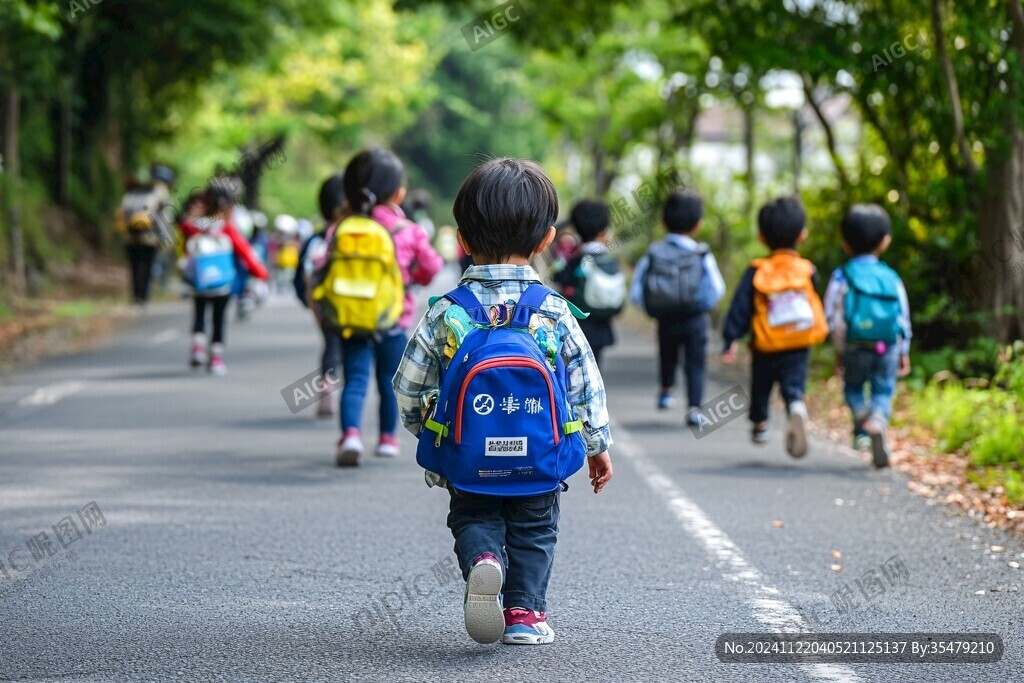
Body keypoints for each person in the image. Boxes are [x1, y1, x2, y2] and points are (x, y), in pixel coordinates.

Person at [393, 158, 613, 646]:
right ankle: (524, 615)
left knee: (473, 516)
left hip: (470, 455)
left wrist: (432, 430)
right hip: (538, 454)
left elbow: (408, 386)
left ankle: (483, 561)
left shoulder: (447, 311)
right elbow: (584, 384)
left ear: (462, 241)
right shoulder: (554, 311)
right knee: (536, 528)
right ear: (546, 240)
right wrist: (597, 445)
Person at [329, 148, 443, 465]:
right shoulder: (407, 230)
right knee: (389, 380)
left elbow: (323, 265)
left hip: (352, 318)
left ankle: (350, 434)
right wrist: (411, 279)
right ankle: (387, 438)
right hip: (393, 318)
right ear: (398, 192)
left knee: (354, 379)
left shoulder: (343, 227)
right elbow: (432, 266)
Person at [721, 196, 828, 457]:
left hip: (766, 344)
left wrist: (731, 338)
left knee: (761, 386)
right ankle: (796, 407)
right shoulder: (807, 269)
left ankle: (760, 425)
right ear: (802, 235)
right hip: (799, 341)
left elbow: (741, 307)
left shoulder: (757, 270)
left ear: (761, 237)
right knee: (793, 383)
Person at [824, 204, 912, 468]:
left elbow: (832, 316)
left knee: (852, 387)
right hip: (887, 345)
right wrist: (903, 349)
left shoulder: (842, 276)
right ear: (885, 242)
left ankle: (861, 416)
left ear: (845, 244)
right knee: (883, 389)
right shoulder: (891, 277)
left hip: (853, 345)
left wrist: (839, 350)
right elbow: (902, 317)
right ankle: (877, 420)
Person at [631, 190, 726, 425]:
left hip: (666, 317)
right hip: (696, 318)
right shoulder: (701, 253)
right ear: (698, 224)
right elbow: (717, 287)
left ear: (664, 223)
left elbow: (636, 290)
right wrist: (707, 303)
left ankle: (666, 391)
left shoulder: (654, 252)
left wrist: (650, 307)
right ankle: (694, 408)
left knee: (667, 354)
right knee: (696, 362)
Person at [179, 184, 268, 375]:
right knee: (219, 319)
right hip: (223, 283)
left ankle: (197, 348)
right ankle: (216, 358)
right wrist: (261, 273)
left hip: (199, 282)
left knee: (199, 314)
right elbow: (245, 251)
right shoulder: (226, 228)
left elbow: (185, 226)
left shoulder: (199, 225)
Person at [295, 174, 347, 418]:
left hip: (322, 303)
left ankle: (327, 383)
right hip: (355, 303)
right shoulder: (355, 236)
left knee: (331, 342)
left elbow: (298, 277)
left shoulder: (315, 239)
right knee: (350, 348)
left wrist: (308, 303)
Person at [552, 200, 626, 368]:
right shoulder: (609, 260)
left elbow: (560, 281)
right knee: (596, 366)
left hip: (578, 326)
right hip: (601, 325)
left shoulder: (573, 261)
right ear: (604, 230)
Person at [116, 171, 167, 306]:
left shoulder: (128, 196)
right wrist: (163, 237)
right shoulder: (156, 194)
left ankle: (136, 297)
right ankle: (142, 297)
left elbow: (123, 217)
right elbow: (162, 217)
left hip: (131, 238)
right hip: (150, 239)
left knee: (135, 268)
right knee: (147, 267)